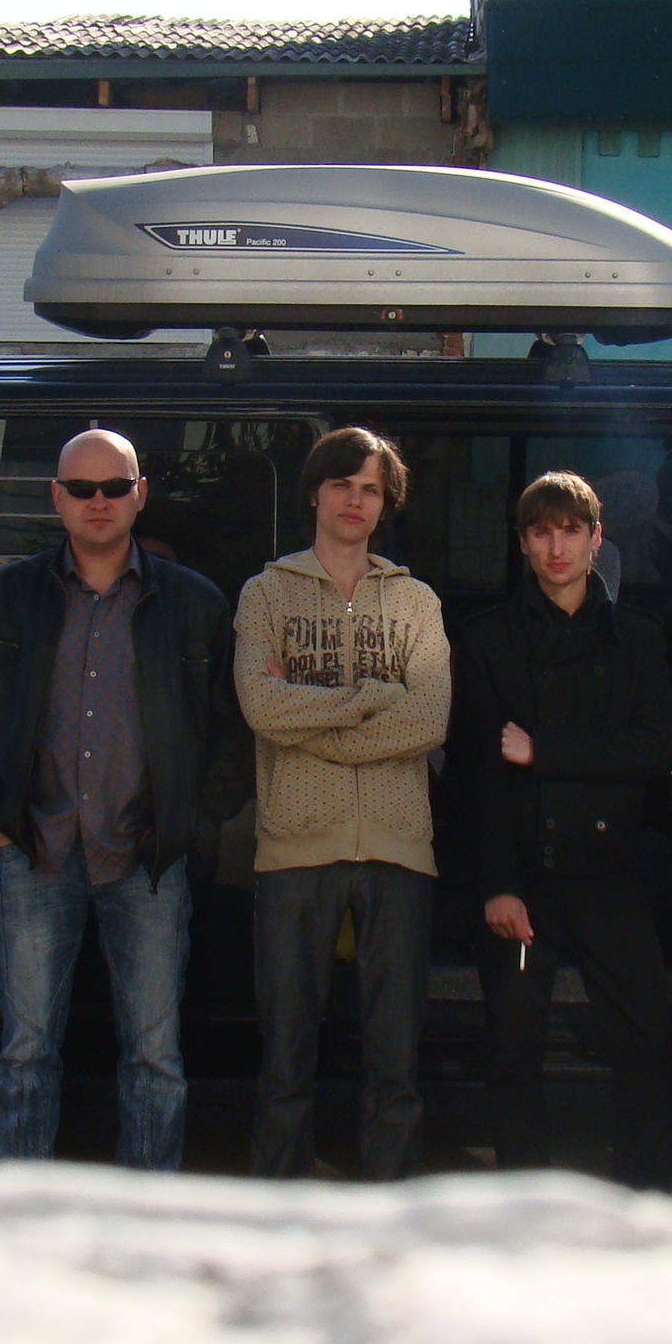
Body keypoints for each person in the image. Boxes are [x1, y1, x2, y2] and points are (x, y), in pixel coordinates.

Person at [0, 428, 238, 1172]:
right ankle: (27, 1211)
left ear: (140, 494)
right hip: (33, 854)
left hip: (148, 863)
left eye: (114, 487)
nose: (97, 501)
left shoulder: (194, 603)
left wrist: (189, 826)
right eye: (81, 488)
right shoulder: (7, 598)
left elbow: (231, 735)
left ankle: (143, 1212)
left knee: (155, 1057)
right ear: (57, 498)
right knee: (27, 1052)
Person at [234, 427, 451, 1180]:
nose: (356, 501)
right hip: (295, 844)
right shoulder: (266, 593)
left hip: (398, 845)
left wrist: (313, 723)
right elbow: (261, 706)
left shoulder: (416, 601)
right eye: (342, 485)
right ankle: (280, 1207)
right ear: (315, 494)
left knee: (395, 1061)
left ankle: (388, 1210)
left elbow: (430, 719)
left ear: (385, 504)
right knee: (286, 1057)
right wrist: (370, 699)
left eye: (371, 489)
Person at [456, 471, 672, 1190]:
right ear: (523, 543)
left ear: (596, 538)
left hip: (611, 875)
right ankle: (524, 1202)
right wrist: (497, 886)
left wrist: (544, 751)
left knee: (644, 1044)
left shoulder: (638, 637)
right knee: (514, 1053)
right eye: (542, 532)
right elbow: (477, 774)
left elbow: (654, 750)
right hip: (524, 878)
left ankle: (642, 1197)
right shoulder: (487, 640)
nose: (557, 547)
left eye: (571, 531)